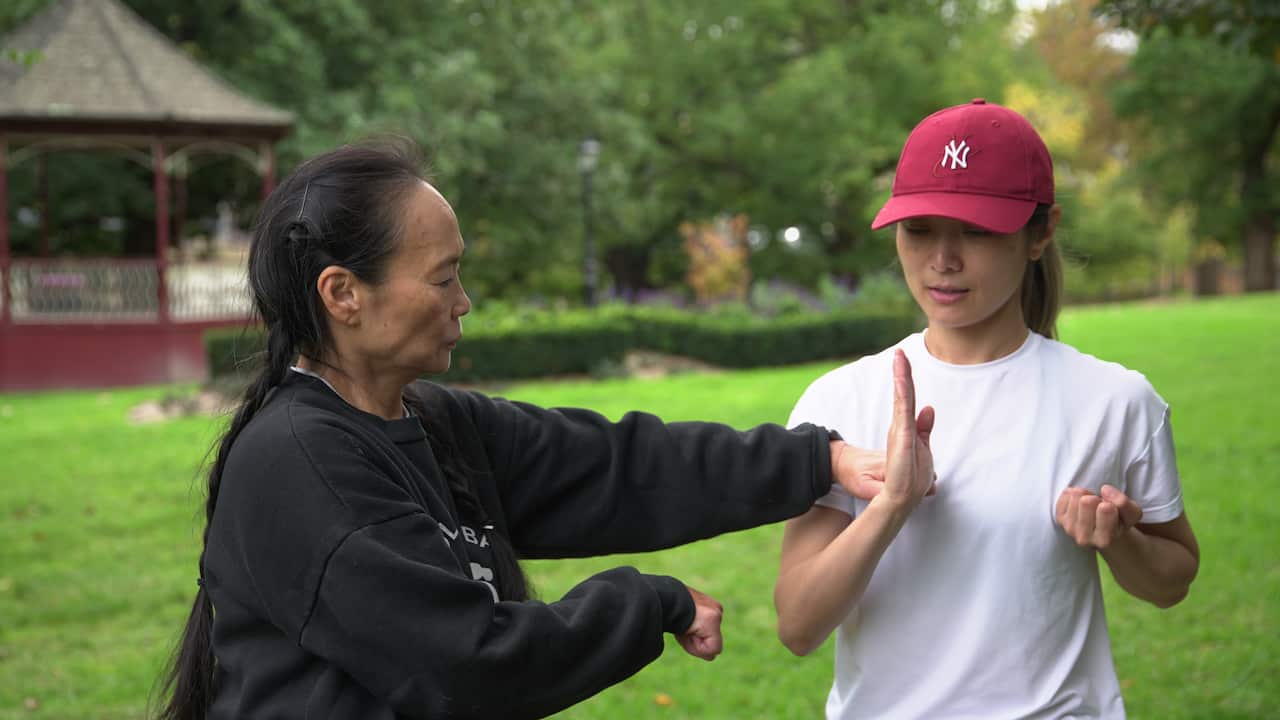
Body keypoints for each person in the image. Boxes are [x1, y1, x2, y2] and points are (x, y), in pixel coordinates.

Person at [157, 139, 927, 720]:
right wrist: (651, 602)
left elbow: (616, 465)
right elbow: (467, 665)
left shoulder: (430, 420)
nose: (465, 302)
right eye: (443, 277)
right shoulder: (297, 465)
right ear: (343, 293)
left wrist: (817, 461)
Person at [774, 99, 1200, 719]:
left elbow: (1172, 581)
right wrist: (890, 505)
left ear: (1041, 232)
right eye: (919, 229)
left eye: (976, 230)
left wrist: (1120, 540)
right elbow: (799, 626)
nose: (942, 259)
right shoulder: (838, 399)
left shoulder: (1114, 401)